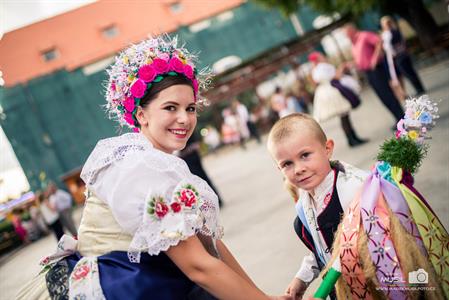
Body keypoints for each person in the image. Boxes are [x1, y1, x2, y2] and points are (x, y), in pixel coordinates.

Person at [17, 36, 289, 300]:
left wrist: (262, 296)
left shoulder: (150, 160)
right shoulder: (142, 166)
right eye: (171, 107)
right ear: (141, 115)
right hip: (120, 288)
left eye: (191, 108)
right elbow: (199, 267)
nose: (184, 118)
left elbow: (211, 247)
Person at [267, 113, 368, 299]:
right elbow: (321, 248)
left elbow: (360, 245)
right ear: (279, 169)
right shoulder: (305, 201)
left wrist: (323, 291)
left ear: (327, 148)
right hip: (340, 289)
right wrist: (302, 278)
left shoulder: (354, 190)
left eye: (305, 155)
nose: (298, 169)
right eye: (287, 164)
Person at [345, 23, 404, 123]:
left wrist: (375, 58)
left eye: (346, 34)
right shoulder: (353, 44)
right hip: (367, 72)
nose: (346, 36)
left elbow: (379, 41)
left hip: (376, 69)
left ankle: (402, 118)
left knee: (387, 94)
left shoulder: (364, 35)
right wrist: (352, 64)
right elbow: (360, 59)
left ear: (352, 31)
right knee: (382, 97)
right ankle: (397, 119)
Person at [308, 51, 368, 147]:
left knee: (343, 116)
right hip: (333, 89)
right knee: (344, 115)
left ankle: (351, 138)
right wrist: (341, 68)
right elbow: (336, 76)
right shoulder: (323, 66)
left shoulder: (314, 70)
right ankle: (352, 138)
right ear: (318, 58)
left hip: (325, 90)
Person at [380, 16, 425, 98]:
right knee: (410, 71)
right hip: (401, 55)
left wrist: (393, 53)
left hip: (399, 56)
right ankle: (419, 87)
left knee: (408, 72)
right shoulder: (393, 31)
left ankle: (419, 88)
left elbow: (389, 46)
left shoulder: (390, 33)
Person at [179, 132, 224, 207]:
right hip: (191, 155)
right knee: (202, 179)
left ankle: (213, 201)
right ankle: (215, 200)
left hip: (189, 156)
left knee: (199, 180)